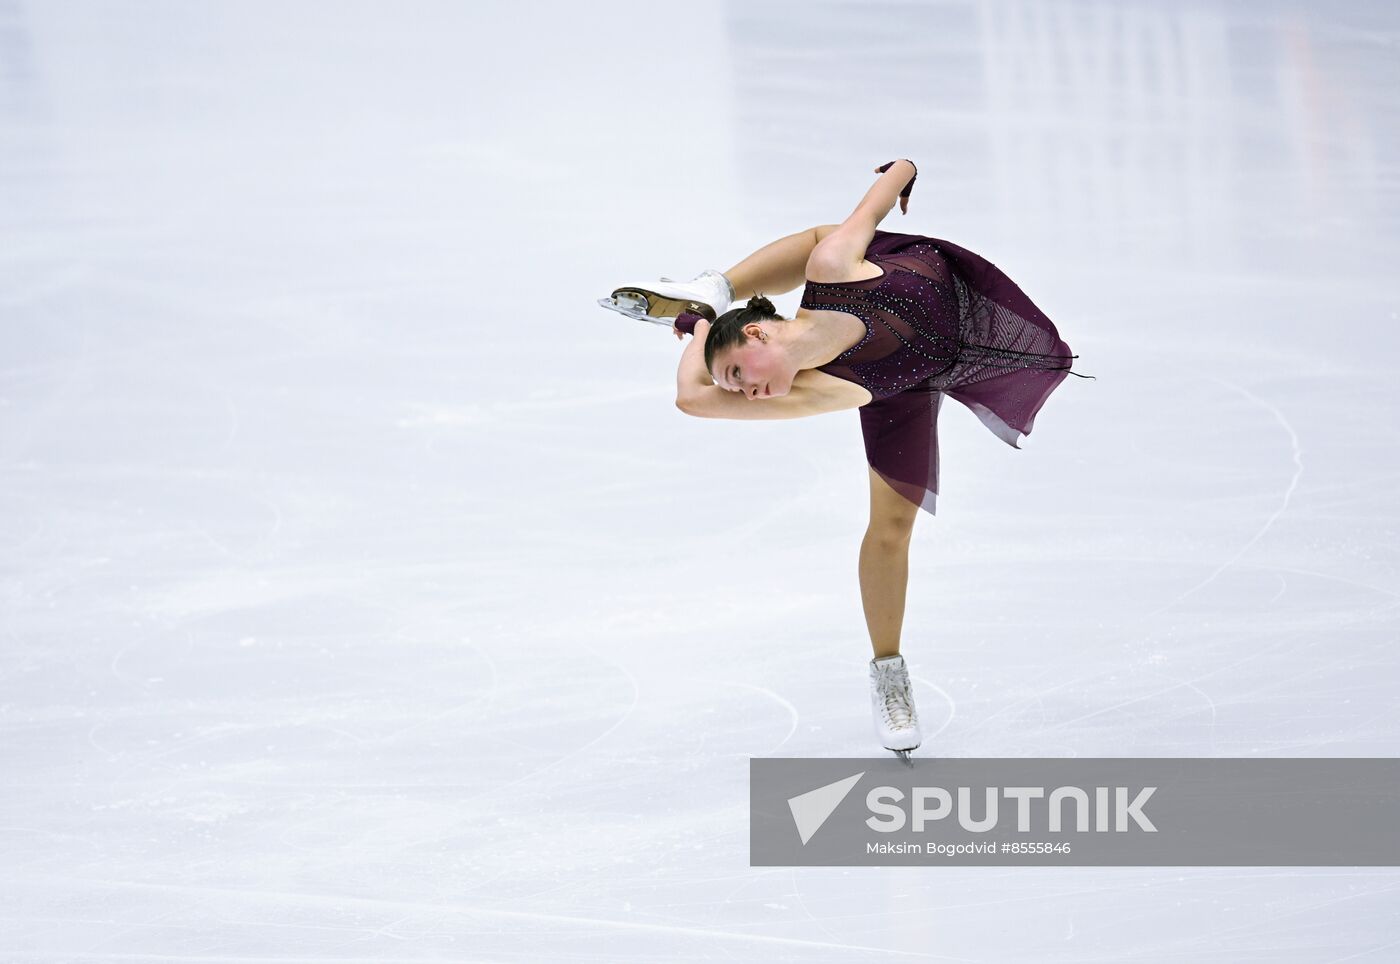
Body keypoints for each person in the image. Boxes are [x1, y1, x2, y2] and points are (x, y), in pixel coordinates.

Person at [598, 159, 1093, 763]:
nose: (739, 391)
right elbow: (690, 398)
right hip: (898, 384)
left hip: (912, 285)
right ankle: (890, 675)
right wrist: (698, 328)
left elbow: (878, 200)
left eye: (735, 374)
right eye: (732, 386)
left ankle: (718, 285)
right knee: (890, 532)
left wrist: (902, 170)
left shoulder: (834, 269)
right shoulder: (818, 388)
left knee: (824, 240)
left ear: (757, 336)